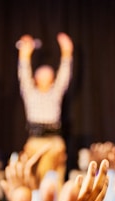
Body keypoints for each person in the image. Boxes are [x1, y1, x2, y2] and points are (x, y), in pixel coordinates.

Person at [17, 32, 73, 191]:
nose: (45, 73)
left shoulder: (55, 92)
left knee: (55, 183)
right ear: (36, 78)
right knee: (35, 181)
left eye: (49, 72)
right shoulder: (31, 93)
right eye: (41, 73)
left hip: (54, 141)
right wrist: (24, 54)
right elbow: (24, 74)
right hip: (35, 141)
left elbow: (64, 75)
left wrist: (67, 52)